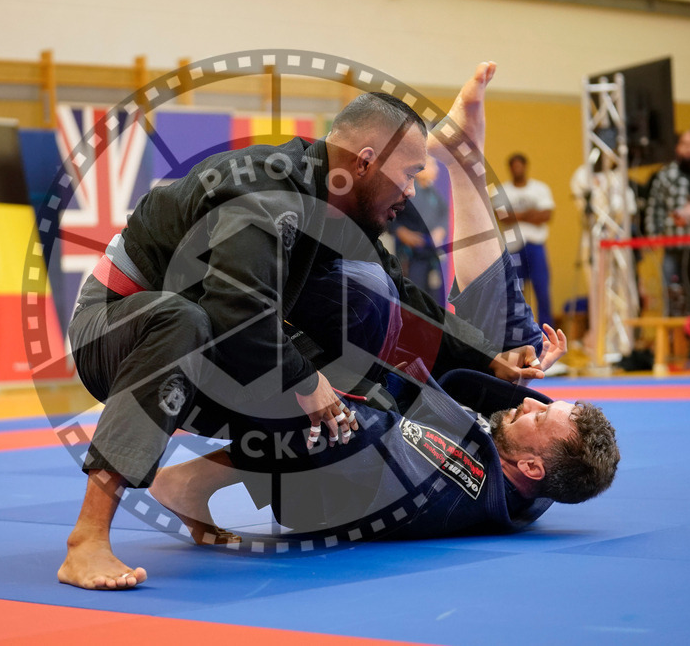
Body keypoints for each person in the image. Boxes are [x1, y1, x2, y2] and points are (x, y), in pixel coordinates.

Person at [57, 63, 544, 590]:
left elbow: (403, 299)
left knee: (356, 362)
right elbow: (234, 312)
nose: (409, 192)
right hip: (115, 330)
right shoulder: (265, 194)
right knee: (193, 322)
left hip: (207, 347)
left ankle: (193, 489)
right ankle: (86, 540)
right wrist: (304, 380)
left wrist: (483, 358)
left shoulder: (335, 207)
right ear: (365, 162)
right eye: (407, 175)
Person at [151, 63, 618, 542]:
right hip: (408, 416)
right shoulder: (541, 475)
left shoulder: (455, 482)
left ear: (531, 467)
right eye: (543, 407)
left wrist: (308, 375)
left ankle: (192, 482)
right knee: (513, 345)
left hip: (335, 463)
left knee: (367, 319)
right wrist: (496, 364)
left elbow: (377, 420)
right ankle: (463, 157)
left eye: (538, 416)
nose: (527, 406)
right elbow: (543, 431)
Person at [644, 131, 690, 318]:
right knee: (671, 292)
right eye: (684, 144)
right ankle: (673, 338)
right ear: (676, 148)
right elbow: (654, 205)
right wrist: (653, 233)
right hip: (672, 243)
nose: (688, 149)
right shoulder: (666, 174)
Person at [498, 153, 555, 328]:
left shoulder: (540, 188)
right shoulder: (501, 191)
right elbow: (502, 216)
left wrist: (516, 214)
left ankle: (546, 334)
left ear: (525, 166)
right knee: (516, 292)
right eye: (514, 166)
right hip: (513, 247)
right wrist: (530, 213)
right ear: (510, 169)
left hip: (535, 245)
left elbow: (546, 215)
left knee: (542, 290)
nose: (517, 169)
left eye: (520, 165)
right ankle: (521, 334)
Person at [390, 155, 450, 304]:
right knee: (413, 299)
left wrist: (440, 231)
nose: (436, 169)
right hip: (410, 257)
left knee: (433, 300)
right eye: (433, 165)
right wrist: (401, 232)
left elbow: (444, 213)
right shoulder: (406, 191)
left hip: (430, 255)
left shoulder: (432, 193)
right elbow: (388, 215)